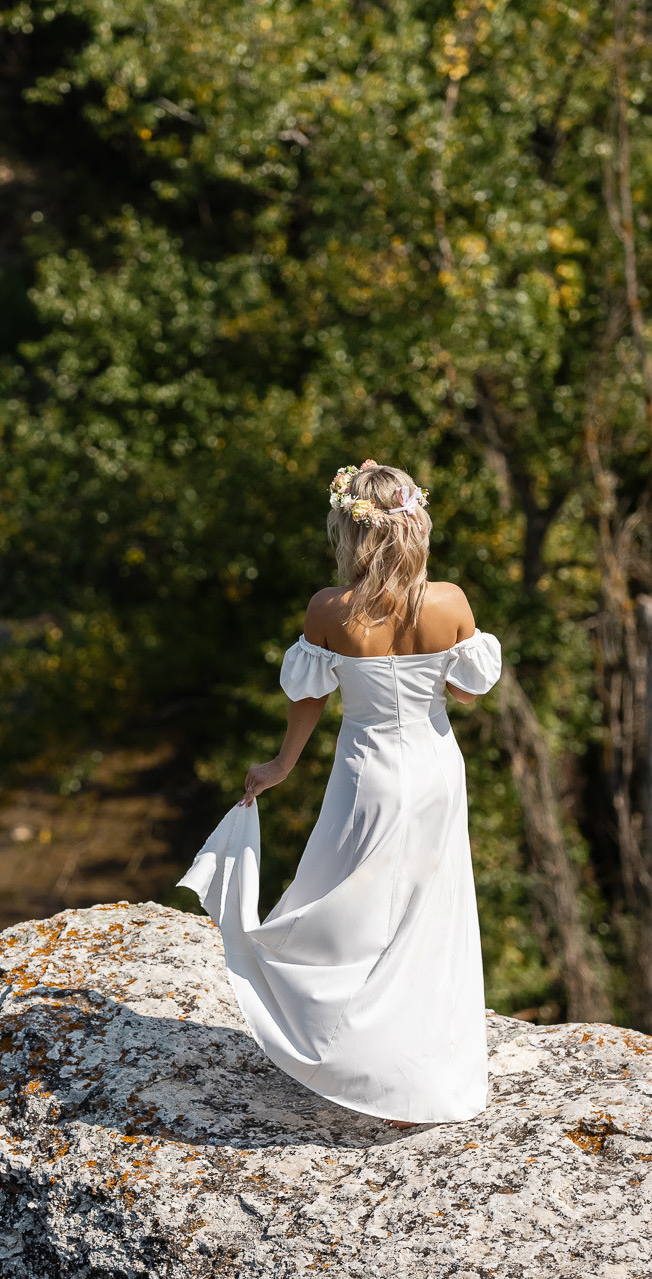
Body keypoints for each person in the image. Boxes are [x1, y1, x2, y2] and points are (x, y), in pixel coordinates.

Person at [177, 460, 502, 1128]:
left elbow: (310, 697)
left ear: (348, 533)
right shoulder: (449, 602)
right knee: (427, 911)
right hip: (436, 770)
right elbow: (468, 692)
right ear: (417, 525)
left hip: (368, 771)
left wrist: (279, 765)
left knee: (341, 904)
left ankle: (343, 1045)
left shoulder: (330, 609)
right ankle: (425, 1069)